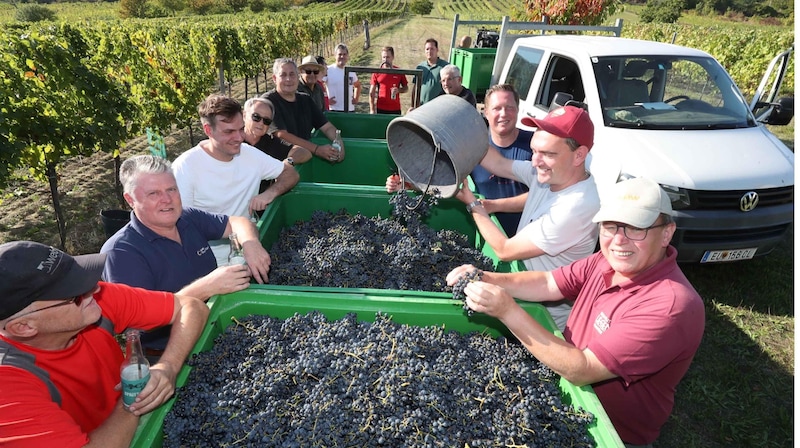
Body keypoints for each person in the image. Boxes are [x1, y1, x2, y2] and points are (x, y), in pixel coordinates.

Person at [446, 176, 705, 447]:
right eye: (610, 226)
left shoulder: (671, 307)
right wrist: (487, 277)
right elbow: (548, 283)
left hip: (606, 433)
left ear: (667, 232)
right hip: (563, 396)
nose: (619, 240)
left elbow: (583, 369)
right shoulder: (605, 260)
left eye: (635, 228)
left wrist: (507, 311)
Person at [0, 240, 208, 447]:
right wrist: (131, 400)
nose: (94, 290)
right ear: (24, 327)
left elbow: (191, 306)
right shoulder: (8, 387)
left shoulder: (92, 302)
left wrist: (168, 366)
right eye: (73, 295)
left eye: (79, 275)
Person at [101, 155, 270, 352]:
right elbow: (137, 326)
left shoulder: (186, 218)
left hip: (217, 327)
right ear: (130, 200)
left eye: (171, 189)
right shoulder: (121, 253)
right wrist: (206, 288)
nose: (167, 199)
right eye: (153, 193)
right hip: (172, 353)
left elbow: (238, 222)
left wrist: (251, 244)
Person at [454, 104, 601, 331]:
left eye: (547, 154)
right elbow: (498, 163)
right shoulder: (551, 173)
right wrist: (463, 134)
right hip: (517, 291)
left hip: (543, 318)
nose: (535, 161)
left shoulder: (577, 206)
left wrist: (473, 203)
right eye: (534, 151)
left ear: (579, 155)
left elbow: (504, 250)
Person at [386, 84, 532, 237]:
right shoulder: (473, 147)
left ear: (518, 110)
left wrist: (493, 206)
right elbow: (445, 181)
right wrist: (406, 185)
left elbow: (542, 193)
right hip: (488, 234)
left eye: (509, 107)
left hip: (529, 236)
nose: (503, 114)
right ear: (486, 112)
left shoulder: (535, 145)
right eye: (497, 108)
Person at [172, 93, 299, 265]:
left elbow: (290, 174)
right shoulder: (185, 167)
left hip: (251, 253)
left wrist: (269, 194)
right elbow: (181, 225)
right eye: (229, 132)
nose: (239, 138)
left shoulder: (250, 154)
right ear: (208, 130)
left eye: (240, 129)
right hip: (209, 263)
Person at [262, 58, 344, 163]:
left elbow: (327, 127)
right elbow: (282, 135)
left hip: (303, 160)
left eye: (292, 74)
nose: (288, 79)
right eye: (283, 75)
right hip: (279, 164)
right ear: (274, 78)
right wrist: (317, 149)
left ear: (297, 77)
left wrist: (339, 143)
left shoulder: (305, 100)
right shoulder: (268, 102)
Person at [243, 96, 312, 169]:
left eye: (266, 121)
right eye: (256, 117)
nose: (261, 123)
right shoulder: (233, 140)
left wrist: (289, 162)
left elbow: (304, 152)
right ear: (244, 116)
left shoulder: (271, 142)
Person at [369, 46, 409, 114]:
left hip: (395, 108)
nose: (385, 60)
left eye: (388, 57)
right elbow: (371, 92)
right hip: (381, 108)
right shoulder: (377, 72)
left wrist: (398, 90)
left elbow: (406, 88)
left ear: (392, 57)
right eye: (383, 57)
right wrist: (372, 109)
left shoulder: (399, 71)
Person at [324, 44, 361, 112]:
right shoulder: (328, 70)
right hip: (334, 109)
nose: (342, 56)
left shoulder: (351, 71)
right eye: (340, 54)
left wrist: (356, 98)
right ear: (335, 55)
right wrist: (325, 100)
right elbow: (319, 85)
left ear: (347, 56)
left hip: (349, 110)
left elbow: (357, 85)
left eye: (344, 54)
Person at [414, 37, 448, 106]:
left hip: (438, 107)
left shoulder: (445, 67)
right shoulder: (420, 67)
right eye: (427, 49)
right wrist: (413, 105)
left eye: (432, 49)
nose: (429, 51)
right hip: (421, 107)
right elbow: (415, 88)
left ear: (437, 50)